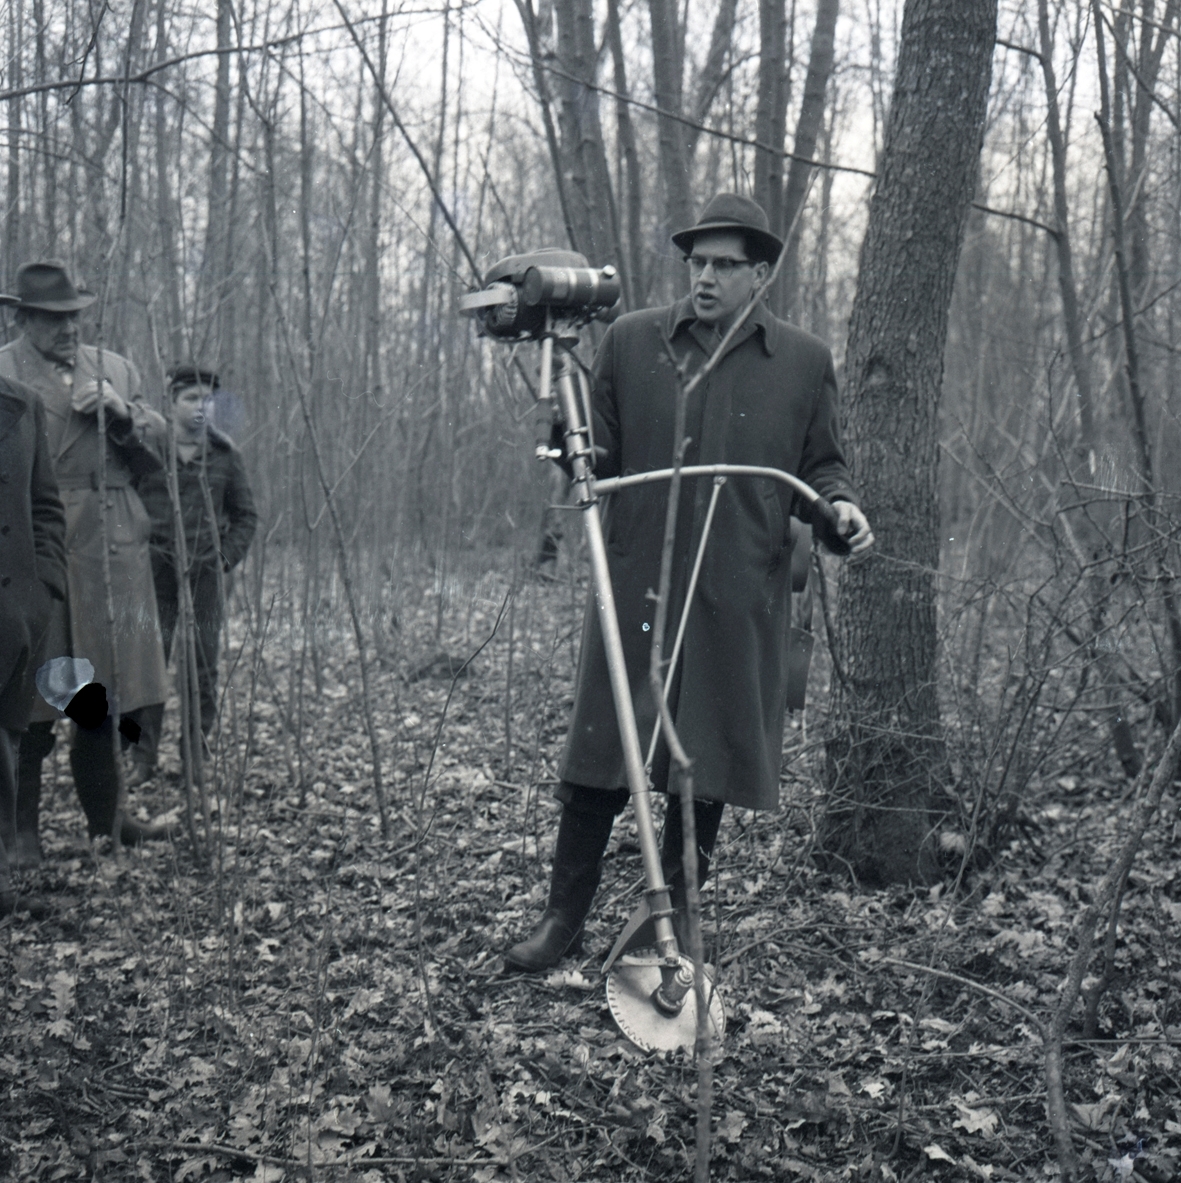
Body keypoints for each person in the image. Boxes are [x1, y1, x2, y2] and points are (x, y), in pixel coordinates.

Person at [505, 193, 874, 972]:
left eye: (724, 265)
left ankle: (662, 931)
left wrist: (839, 509)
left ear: (759, 274)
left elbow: (821, 467)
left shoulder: (802, 361)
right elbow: (596, 457)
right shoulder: (633, 341)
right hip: (637, 582)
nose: (705, 277)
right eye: (696, 262)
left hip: (735, 591)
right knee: (602, 748)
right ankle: (561, 919)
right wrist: (564, 429)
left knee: (699, 763)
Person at [0, 260, 172, 860]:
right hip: (34, 544)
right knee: (30, 697)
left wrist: (124, 416)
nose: (69, 329)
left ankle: (110, 820)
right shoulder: (3, 371)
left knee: (103, 694)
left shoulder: (115, 368)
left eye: (74, 317)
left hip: (111, 548)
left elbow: (161, 443)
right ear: (23, 320)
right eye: (54, 319)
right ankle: (20, 835)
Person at [134, 365, 257, 778]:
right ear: (171, 403)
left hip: (205, 575)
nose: (201, 406)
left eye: (208, 399)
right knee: (149, 664)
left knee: (202, 666)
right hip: (155, 571)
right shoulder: (148, 449)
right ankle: (143, 759)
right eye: (191, 398)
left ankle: (194, 758)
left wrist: (223, 559)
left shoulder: (225, 455)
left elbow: (246, 516)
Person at [0, 368, 66, 911]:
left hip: (12, 612)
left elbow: (45, 507)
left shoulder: (24, 404)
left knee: (4, 744)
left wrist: (43, 588)